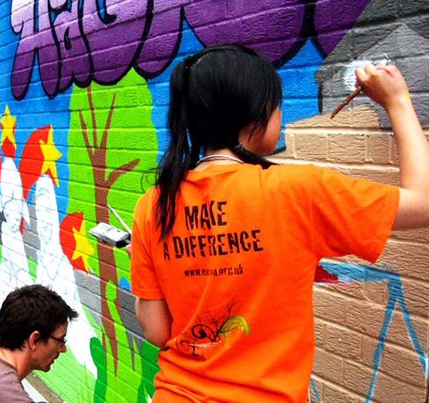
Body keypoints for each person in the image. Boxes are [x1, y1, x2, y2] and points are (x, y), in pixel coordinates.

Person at [129, 45, 429, 402]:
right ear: (254, 113)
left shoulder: (154, 206)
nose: (281, 116)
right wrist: (397, 101)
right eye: (276, 105)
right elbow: (422, 203)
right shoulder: (296, 191)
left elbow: (157, 331)